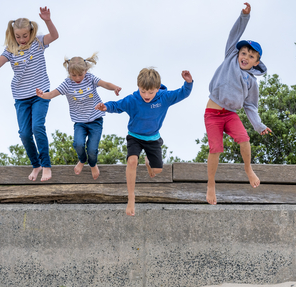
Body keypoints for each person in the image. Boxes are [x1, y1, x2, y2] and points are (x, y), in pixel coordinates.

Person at [96, 68, 193, 216]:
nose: (146, 95)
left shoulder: (164, 97)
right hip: (134, 136)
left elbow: (182, 93)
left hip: (153, 139)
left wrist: (188, 83)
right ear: (138, 87)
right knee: (132, 161)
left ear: (157, 89)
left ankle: (148, 162)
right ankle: (131, 198)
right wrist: (106, 107)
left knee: (157, 171)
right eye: (143, 91)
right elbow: (117, 105)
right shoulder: (133, 100)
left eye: (151, 92)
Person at [205, 2, 272, 205]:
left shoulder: (251, 81)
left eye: (251, 56)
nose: (245, 57)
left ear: (256, 63)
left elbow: (250, 106)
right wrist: (244, 16)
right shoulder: (230, 57)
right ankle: (210, 185)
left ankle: (248, 169)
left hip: (231, 115)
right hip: (212, 112)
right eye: (244, 53)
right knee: (216, 149)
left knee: (244, 139)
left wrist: (258, 126)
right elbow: (234, 34)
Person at [0, 7, 58, 182]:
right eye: (18, 36)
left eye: (25, 36)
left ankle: (46, 165)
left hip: (40, 93)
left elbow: (54, 36)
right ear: (13, 35)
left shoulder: (39, 42)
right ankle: (36, 165)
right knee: (24, 133)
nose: (22, 39)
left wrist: (47, 20)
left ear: (31, 32)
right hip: (21, 97)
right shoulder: (10, 49)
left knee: (37, 127)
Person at [36, 53, 121, 180]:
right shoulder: (67, 84)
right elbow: (53, 93)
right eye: (73, 75)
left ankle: (92, 164)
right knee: (78, 144)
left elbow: (104, 84)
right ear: (69, 73)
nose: (77, 78)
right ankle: (82, 160)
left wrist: (114, 87)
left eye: (80, 74)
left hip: (95, 120)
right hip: (79, 122)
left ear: (86, 71)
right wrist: (43, 95)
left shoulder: (90, 78)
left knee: (92, 149)